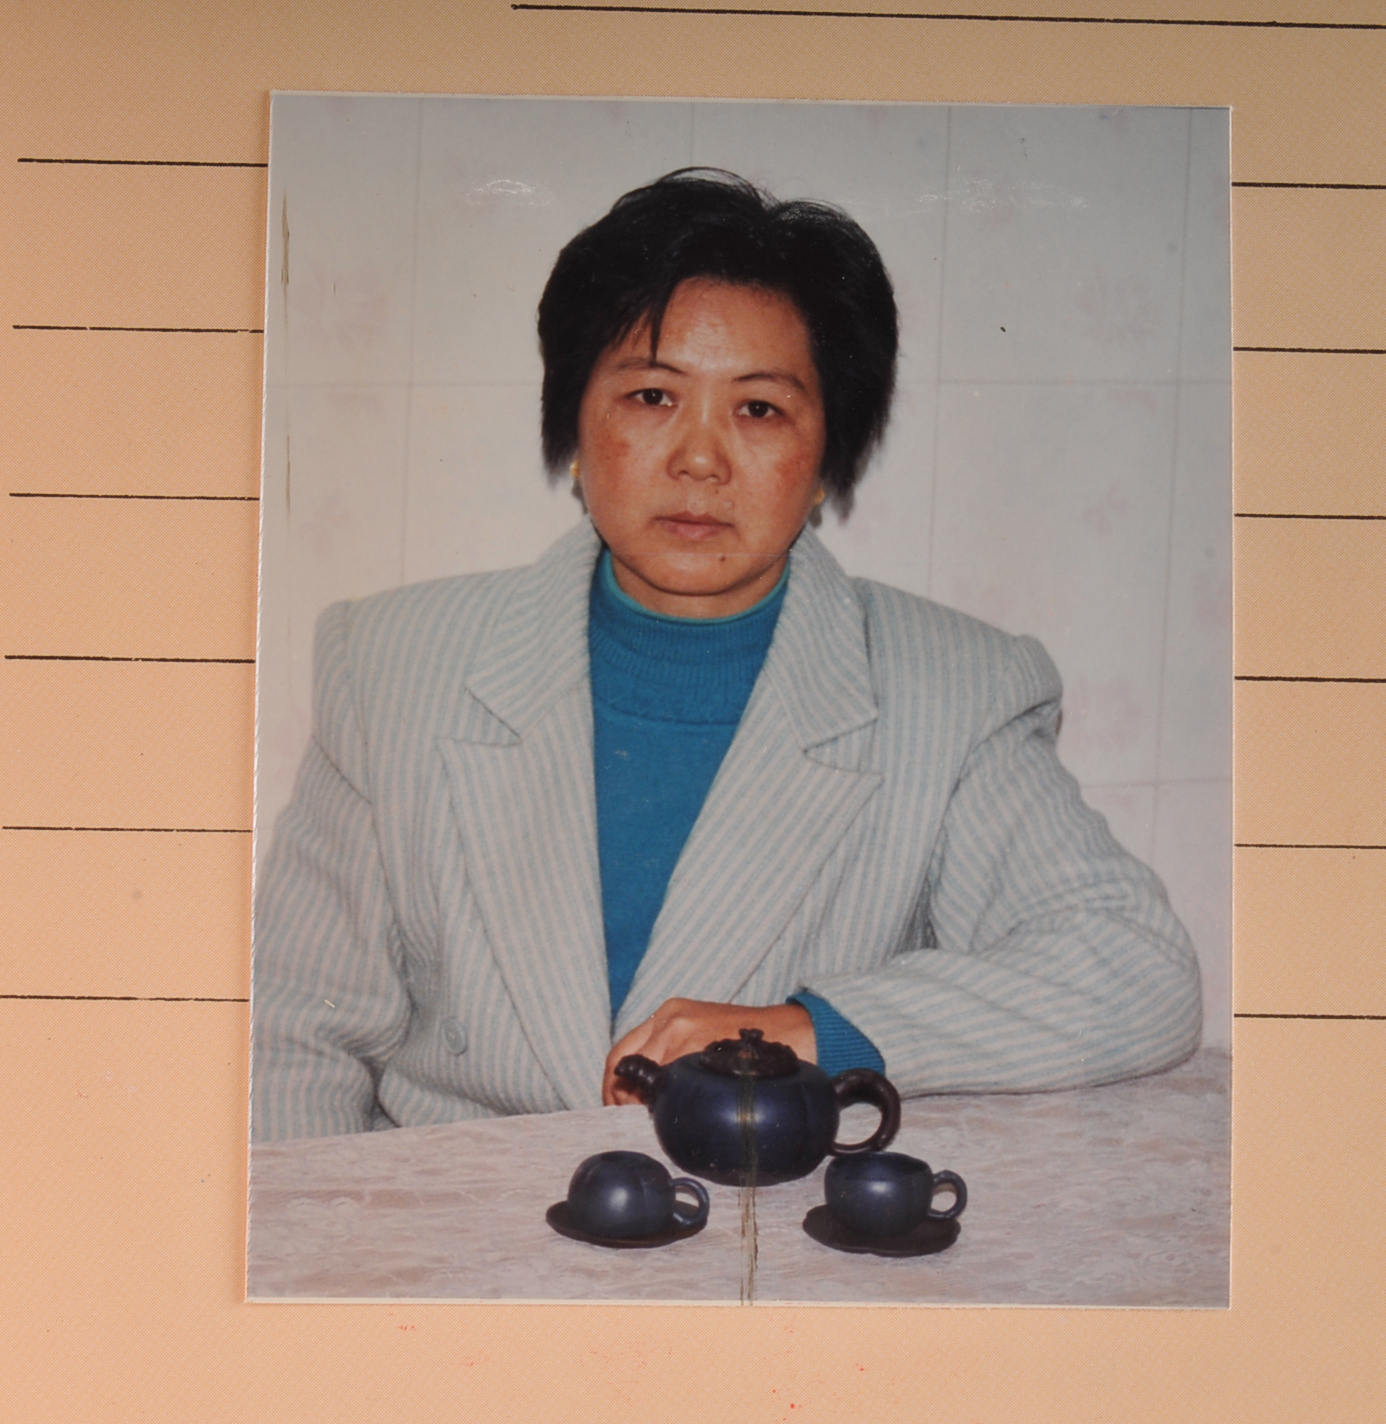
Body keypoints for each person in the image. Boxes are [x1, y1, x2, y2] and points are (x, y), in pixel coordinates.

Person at [251, 169, 1201, 1143]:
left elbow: (1135, 968)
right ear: (576, 425)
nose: (700, 457)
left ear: (829, 454)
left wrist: (808, 1030)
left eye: (759, 409)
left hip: (774, 1252)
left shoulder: (954, 691)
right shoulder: (391, 667)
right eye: (653, 395)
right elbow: (288, 1042)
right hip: (446, 1264)